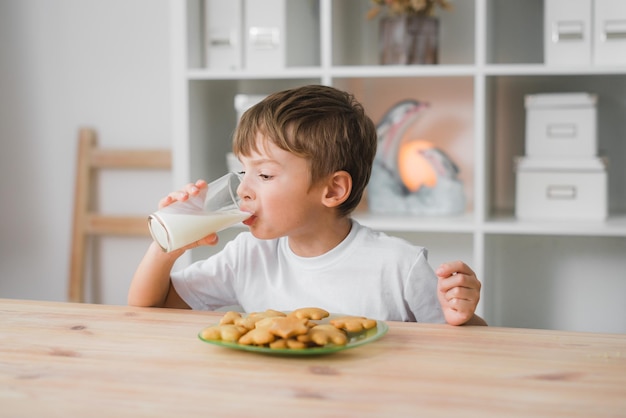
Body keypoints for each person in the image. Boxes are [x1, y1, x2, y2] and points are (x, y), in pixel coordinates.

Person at [128, 84, 486, 326]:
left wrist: (464, 317)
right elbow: (150, 309)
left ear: (332, 190)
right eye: (241, 171)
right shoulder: (248, 256)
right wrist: (166, 245)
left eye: (264, 175)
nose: (243, 190)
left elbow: (467, 348)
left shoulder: (397, 266)